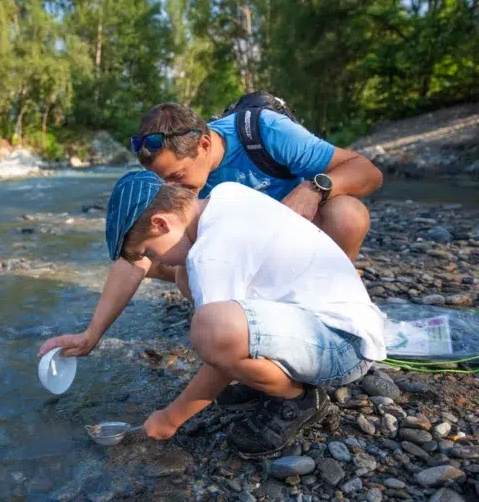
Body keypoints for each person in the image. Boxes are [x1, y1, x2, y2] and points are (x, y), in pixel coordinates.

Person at [38, 99, 384, 409]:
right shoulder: (194, 200)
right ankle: (255, 351)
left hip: (304, 251)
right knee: (185, 271)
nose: (172, 190)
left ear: (204, 144)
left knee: (348, 214)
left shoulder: (264, 132)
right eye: (162, 182)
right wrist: (93, 333)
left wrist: (315, 188)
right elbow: (137, 254)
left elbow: (368, 172)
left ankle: (302, 340)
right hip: (251, 267)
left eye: (176, 177)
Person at [48, 170, 387, 457]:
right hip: (336, 322)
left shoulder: (211, 254)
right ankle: (271, 379)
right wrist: (92, 333)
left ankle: (298, 399)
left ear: (161, 222)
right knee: (198, 298)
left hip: (344, 348)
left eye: (149, 251)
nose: (156, 261)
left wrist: (170, 418)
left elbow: (219, 345)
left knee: (210, 330)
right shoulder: (224, 197)